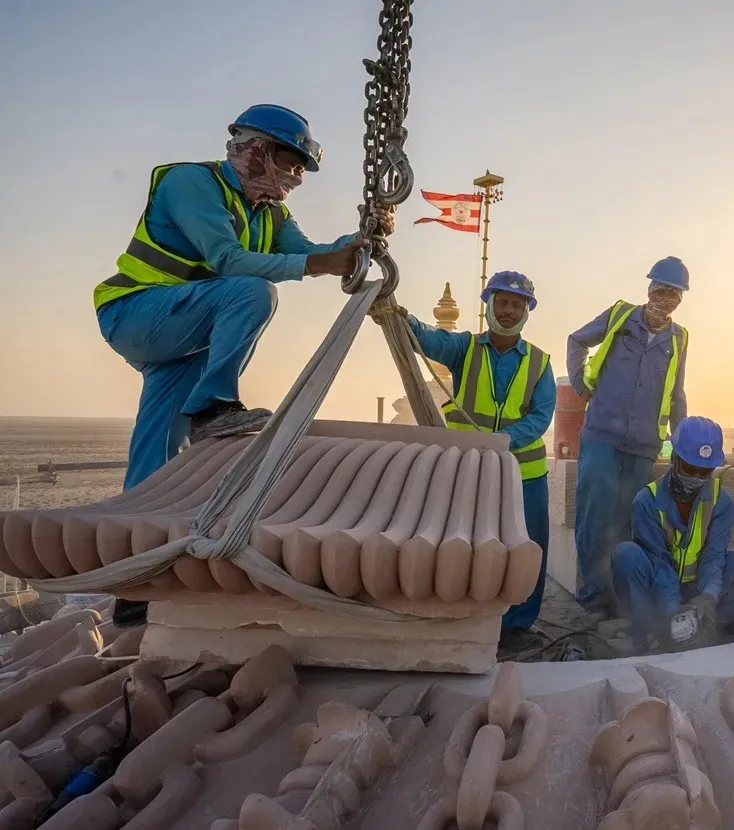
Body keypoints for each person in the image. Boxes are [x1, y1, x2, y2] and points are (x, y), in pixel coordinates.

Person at [95, 104, 378, 628]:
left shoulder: (268, 213)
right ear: (254, 149)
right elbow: (226, 260)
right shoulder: (191, 184)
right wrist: (318, 263)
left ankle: (133, 585)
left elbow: (312, 253)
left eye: (298, 170)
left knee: (156, 453)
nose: (292, 179)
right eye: (288, 164)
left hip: (183, 335)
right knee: (252, 292)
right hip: (136, 312)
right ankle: (215, 405)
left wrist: (357, 245)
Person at [383, 271, 555, 658]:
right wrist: (397, 315)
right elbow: (425, 338)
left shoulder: (540, 363)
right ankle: (469, 615)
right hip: (471, 473)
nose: (509, 310)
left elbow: (541, 415)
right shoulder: (464, 349)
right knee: (469, 544)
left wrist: (505, 442)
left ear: (527, 310)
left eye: (517, 304)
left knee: (529, 549)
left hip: (524, 475)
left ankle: (517, 626)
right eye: (502, 302)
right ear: (488, 304)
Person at [566, 257, 691, 614]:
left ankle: (618, 596)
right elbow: (577, 340)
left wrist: (681, 444)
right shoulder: (620, 316)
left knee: (628, 519)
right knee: (594, 514)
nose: (665, 298)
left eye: (674, 294)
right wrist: (579, 381)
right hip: (602, 436)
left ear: (681, 299)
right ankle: (593, 595)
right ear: (649, 288)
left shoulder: (679, 339)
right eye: (661, 290)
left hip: (644, 445)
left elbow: (677, 393)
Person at [612, 417, 734, 652]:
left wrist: (708, 597)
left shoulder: (721, 501)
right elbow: (659, 564)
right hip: (660, 589)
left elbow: (714, 557)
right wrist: (673, 611)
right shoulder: (646, 501)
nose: (696, 478)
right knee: (626, 555)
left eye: (704, 471)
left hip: (698, 587)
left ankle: (718, 631)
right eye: (690, 468)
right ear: (675, 458)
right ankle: (651, 634)